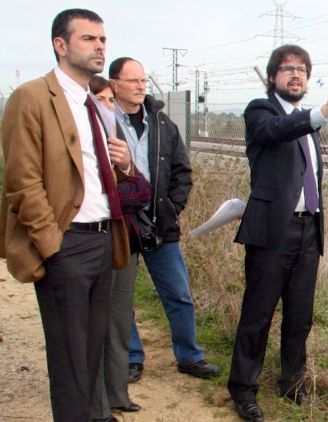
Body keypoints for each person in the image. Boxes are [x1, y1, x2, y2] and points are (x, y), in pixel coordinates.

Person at [0, 9, 134, 421]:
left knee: (90, 355)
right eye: (89, 39)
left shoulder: (92, 104)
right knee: (70, 360)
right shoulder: (33, 97)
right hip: (67, 244)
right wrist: (52, 245)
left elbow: (93, 176)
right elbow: (22, 180)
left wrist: (125, 165)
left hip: (102, 241)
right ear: (61, 45)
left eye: (103, 39)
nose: (100, 47)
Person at [228, 44, 328, 422]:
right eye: (287, 69)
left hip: (307, 230)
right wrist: (324, 111)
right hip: (272, 231)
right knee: (258, 315)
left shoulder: (306, 121)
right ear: (273, 77)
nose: (296, 74)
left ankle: (291, 382)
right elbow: (275, 132)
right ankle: (243, 390)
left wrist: (316, 116)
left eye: (302, 69)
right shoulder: (261, 112)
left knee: (300, 316)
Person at [107, 56, 220, 382]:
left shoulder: (162, 123)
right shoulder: (103, 122)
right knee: (121, 298)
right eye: (133, 81)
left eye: (143, 80)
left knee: (178, 294)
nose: (141, 86)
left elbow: (182, 171)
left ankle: (190, 357)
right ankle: (131, 358)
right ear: (114, 84)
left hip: (160, 225)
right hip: (122, 225)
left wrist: (171, 209)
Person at [89, 75, 151, 422]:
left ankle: (117, 393)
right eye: (102, 100)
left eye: (111, 100)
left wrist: (126, 166)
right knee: (92, 326)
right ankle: (95, 403)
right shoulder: (82, 143)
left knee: (118, 319)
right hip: (87, 243)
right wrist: (113, 196)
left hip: (122, 243)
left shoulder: (116, 143)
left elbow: (140, 193)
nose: (108, 107)